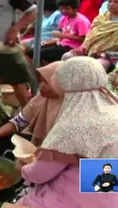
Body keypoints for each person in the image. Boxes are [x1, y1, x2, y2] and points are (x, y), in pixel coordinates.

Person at [17, 57, 118, 207]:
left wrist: (24, 169)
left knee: (26, 198)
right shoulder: (113, 108)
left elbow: (40, 174)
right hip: (110, 192)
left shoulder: (74, 122)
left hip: (83, 199)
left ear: (63, 84)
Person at [0, 61, 63, 157]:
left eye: (47, 82)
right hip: (41, 146)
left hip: (61, 156)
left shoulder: (72, 108)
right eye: (40, 81)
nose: (41, 86)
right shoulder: (41, 99)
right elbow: (18, 122)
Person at [27, 0, 91, 65]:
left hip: (73, 48)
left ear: (75, 9)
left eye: (67, 9)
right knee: (33, 51)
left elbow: (84, 39)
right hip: (61, 44)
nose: (63, 11)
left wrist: (63, 36)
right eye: (61, 9)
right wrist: (48, 42)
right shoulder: (64, 18)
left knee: (43, 53)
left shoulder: (81, 21)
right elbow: (59, 35)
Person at [61, 0, 118, 72]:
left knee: (95, 67)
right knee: (67, 57)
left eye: (116, 2)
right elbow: (90, 36)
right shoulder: (100, 18)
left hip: (110, 57)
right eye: (110, 1)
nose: (112, 4)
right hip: (90, 50)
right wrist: (82, 48)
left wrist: (107, 54)